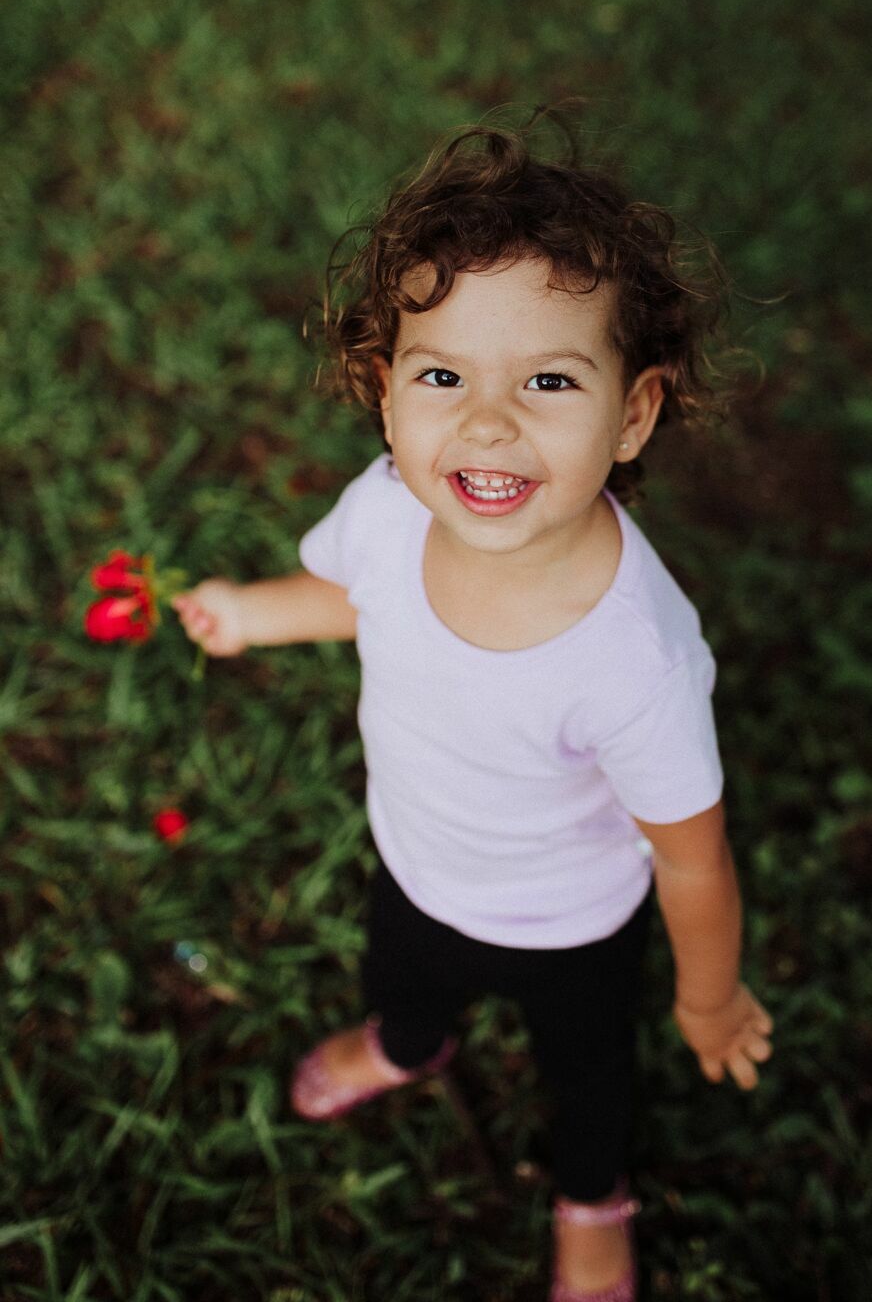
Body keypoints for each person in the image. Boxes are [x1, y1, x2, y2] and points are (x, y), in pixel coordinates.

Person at [171, 111, 773, 1302]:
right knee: (400, 981)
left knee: (586, 1075)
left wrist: (707, 995)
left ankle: (591, 1197)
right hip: (417, 860)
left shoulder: (634, 660)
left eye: (547, 380)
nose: (486, 421)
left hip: (573, 925)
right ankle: (408, 1043)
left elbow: (689, 856)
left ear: (633, 412)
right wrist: (249, 612)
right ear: (384, 392)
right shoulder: (390, 509)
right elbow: (354, 597)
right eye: (442, 375)